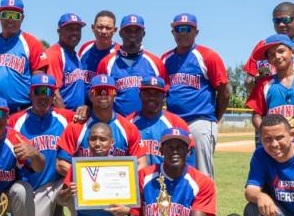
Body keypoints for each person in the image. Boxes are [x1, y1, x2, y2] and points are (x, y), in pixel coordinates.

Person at [9, 74, 75, 216]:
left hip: (61, 182)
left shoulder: (67, 118)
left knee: (79, 187)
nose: (43, 96)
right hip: (36, 187)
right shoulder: (16, 121)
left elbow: (92, 121)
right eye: (38, 91)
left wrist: (84, 109)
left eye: (48, 91)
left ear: (54, 96)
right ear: (30, 94)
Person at [161, 13, 230, 180]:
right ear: (173, 32)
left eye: (187, 29)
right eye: (179, 29)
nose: (183, 32)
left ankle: (204, 206)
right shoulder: (165, 59)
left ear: (196, 32)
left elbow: (225, 91)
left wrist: (213, 117)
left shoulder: (207, 56)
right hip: (173, 123)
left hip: (200, 120)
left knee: (201, 174)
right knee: (173, 171)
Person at [56, 75, 144, 178]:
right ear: (91, 96)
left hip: (117, 188)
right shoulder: (76, 126)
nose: (103, 95)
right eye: (98, 92)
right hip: (85, 189)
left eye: (108, 91)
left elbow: (141, 163)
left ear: (115, 95)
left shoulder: (128, 128)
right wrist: (89, 178)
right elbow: (61, 164)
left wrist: (121, 179)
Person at [0, 0, 49, 112]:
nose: (10, 19)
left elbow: (39, 82)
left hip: (23, 109)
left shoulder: (31, 43)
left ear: (22, 18)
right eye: (6, 14)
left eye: (15, 15)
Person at [97, 14, 166, 116]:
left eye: (137, 31)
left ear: (144, 34)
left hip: (147, 123)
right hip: (117, 123)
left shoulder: (155, 62)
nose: (133, 34)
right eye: (128, 30)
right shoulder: (107, 62)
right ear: (120, 33)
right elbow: (99, 96)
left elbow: (164, 95)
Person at [126, 76, 195, 168]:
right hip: (137, 179)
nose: (152, 98)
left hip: (168, 179)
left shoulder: (176, 123)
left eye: (157, 94)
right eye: (147, 93)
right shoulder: (128, 123)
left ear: (164, 97)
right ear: (140, 95)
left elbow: (189, 157)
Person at [45, 13, 88, 111]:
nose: (75, 33)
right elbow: (54, 93)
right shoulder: (54, 54)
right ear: (59, 32)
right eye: (70, 29)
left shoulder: (75, 56)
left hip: (75, 117)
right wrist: (65, 118)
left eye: (78, 29)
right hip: (61, 116)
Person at [77, 10, 118, 88]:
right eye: (100, 27)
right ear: (93, 28)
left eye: (108, 28)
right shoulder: (85, 48)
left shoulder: (119, 52)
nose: (103, 31)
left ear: (115, 30)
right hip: (82, 100)